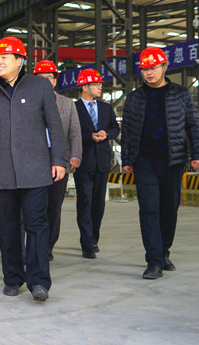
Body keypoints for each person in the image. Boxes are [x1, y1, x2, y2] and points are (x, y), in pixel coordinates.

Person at [0, 37, 67, 302]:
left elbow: (54, 126)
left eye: (4, 58)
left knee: (37, 225)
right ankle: (12, 278)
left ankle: (39, 281)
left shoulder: (40, 87)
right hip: (1, 172)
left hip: (36, 170)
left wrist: (59, 159)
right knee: (8, 227)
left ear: (20, 61)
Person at [120, 47, 199, 279]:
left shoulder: (181, 94)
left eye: (153, 67)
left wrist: (198, 153)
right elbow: (127, 130)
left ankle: (164, 251)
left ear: (165, 67)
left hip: (172, 160)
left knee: (169, 209)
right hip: (144, 161)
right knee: (149, 210)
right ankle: (154, 261)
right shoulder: (135, 98)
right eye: (145, 69)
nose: (149, 73)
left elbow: (193, 126)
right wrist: (127, 159)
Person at [33, 60, 83, 262]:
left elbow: (74, 132)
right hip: (33, 160)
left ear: (55, 81)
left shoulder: (67, 104)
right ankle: (33, 245)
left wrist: (75, 155)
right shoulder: (27, 103)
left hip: (58, 160)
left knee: (53, 206)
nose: (45, 82)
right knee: (33, 206)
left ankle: (48, 246)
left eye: (49, 78)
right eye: (41, 78)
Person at [73, 68, 119, 259]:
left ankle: (93, 239)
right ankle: (86, 244)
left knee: (98, 204)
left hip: (102, 162)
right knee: (85, 201)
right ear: (85, 87)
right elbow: (71, 132)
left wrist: (106, 134)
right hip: (83, 162)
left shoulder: (106, 108)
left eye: (100, 84)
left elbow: (115, 128)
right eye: (96, 84)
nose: (100, 87)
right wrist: (89, 136)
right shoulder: (74, 108)